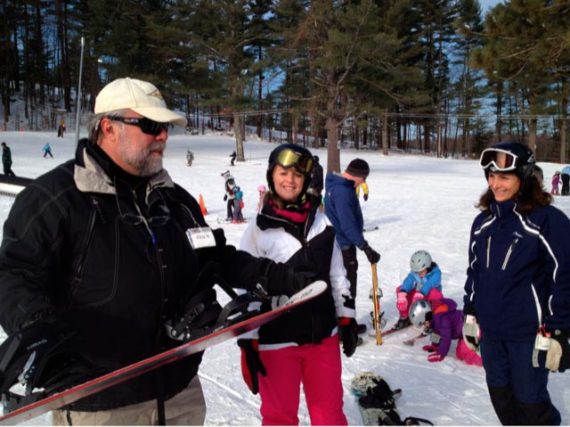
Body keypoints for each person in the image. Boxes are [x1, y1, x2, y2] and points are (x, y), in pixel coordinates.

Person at [0, 77, 313, 426]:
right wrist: (35, 327)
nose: (162, 136)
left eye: (164, 127)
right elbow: (13, 272)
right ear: (108, 127)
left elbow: (214, 256)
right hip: (102, 405)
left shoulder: (174, 200)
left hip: (180, 394)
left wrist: (278, 276)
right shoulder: (56, 199)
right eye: (150, 125)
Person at [238, 143, 356, 425]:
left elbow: (338, 275)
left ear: (305, 181)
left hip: (322, 336)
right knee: (279, 417)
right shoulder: (258, 229)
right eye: (283, 172)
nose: (290, 180)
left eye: (297, 175)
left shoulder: (322, 224)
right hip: (277, 340)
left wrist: (347, 318)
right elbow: (246, 285)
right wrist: (248, 338)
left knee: (329, 414)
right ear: (272, 176)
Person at [463, 141, 570, 425]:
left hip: (528, 334)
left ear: (523, 179)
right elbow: (474, 270)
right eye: (492, 176)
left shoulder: (546, 221)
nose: (496, 184)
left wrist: (559, 328)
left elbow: (565, 273)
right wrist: (470, 312)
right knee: (501, 398)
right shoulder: (482, 223)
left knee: (531, 403)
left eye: (505, 177)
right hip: (492, 332)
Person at [324, 158, 380, 334]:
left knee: (344, 285)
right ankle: (344, 329)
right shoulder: (343, 191)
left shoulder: (338, 185)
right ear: (358, 175)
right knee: (346, 287)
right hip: (343, 246)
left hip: (339, 243)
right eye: (363, 178)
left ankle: (348, 323)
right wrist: (365, 247)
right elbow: (347, 225)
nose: (363, 182)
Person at [409, 299, 482, 366]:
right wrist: (435, 346)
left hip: (472, 326)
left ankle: (487, 357)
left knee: (464, 351)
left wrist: (441, 353)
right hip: (464, 332)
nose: (424, 326)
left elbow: (446, 338)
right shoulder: (435, 317)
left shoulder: (442, 319)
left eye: (423, 323)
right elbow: (436, 331)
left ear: (426, 316)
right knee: (459, 353)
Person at [393, 250, 442, 330]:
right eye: (417, 272)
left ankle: (432, 320)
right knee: (400, 289)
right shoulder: (416, 273)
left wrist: (422, 292)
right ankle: (405, 317)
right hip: (418, 296)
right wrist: (403, 292)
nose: (419, 274)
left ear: (428, 266)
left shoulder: (436, 273)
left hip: (429, 298)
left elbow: (430, 283)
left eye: (421, 271)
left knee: (435, 293)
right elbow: (409, 280)